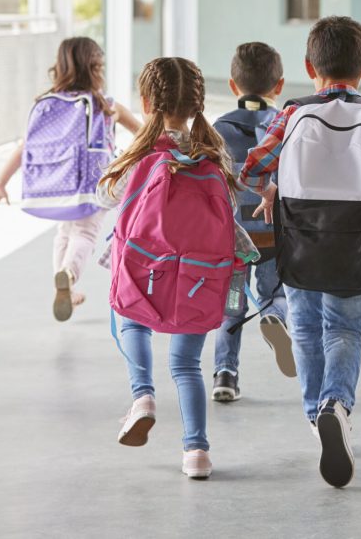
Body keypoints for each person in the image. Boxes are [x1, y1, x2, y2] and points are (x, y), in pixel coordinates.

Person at [243, 16, 361, 488]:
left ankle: (316, 414)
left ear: (308, 66)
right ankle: (336, 403)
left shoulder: (291, 115)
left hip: (300, 239)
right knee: (344, 329)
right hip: (356, 244)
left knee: (304, 327)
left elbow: (252, 170)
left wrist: (273, 191)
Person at [96, 57, 256, 480]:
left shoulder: (140, 156)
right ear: (197, 104)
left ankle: (143, 396)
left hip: (145, 273)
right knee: (186, 366)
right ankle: (197, 452)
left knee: (130, 321)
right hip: (199, 278)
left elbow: (105, 198)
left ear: (146, 102)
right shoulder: (213, 157)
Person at [0, 37, 140, 321]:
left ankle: (65, 285)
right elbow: (143, 134)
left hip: (58, 182)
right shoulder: (106, 105)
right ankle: (68, 274)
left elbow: (25, 147)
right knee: (85, 233)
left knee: (65, 233)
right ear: (96, 68)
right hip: (92, 186)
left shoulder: (47, 103)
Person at [211, 42, 295, 402]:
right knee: (277, 293)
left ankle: (225, 375)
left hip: (234, 240)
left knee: (231, 307)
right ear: (280, 85)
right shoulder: (288, 125)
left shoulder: (219, 129)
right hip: (274, 234)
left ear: (233, 85)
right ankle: (273, 315)